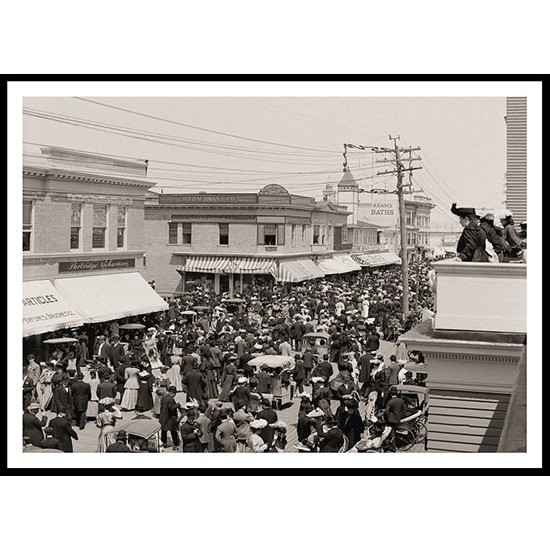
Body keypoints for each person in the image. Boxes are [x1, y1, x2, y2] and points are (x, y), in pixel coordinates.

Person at [384, 386, 407, 452]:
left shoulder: (390, 401)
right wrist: (399, 416)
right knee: (394, 432)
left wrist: (389, 417)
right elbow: (404, 411)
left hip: (391, 420)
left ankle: (393, 447)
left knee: (391, 433)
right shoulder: (401, 401)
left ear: (391, 394)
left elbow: (386, 411)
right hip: (398, 419)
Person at [159, 385, 182, 450]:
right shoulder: (171, 399)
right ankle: (176, 444)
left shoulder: (164, 397)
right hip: (169, 418)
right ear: (174, 393)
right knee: (173, 431)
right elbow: (171, 408)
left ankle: (164, 443)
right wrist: (178, 405)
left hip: (163, 416)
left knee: (164, 431)